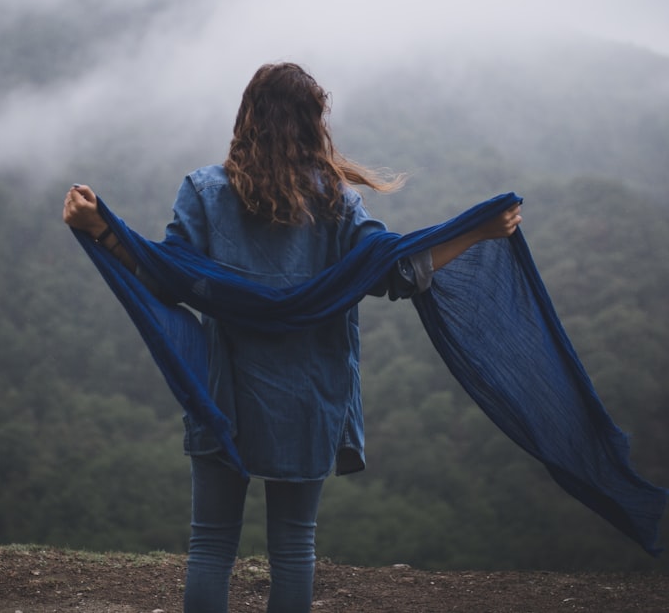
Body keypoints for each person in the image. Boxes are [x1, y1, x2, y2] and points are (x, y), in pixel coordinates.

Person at [63, 62, 521, 613]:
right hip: (309, 396)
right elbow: (396, 273)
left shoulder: (204, 192)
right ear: (312, 125)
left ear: (247, 117)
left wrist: (102, 231)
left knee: (211, 544)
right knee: (293, 547)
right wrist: (479, 231)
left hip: (224, 389)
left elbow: (163, 277)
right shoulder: (337, 202)